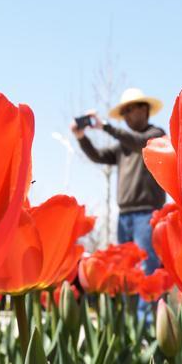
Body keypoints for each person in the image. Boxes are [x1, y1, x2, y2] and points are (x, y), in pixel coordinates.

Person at [71, 87, 166, 277]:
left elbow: (140, 142)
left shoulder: (155, 135)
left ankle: (148, 308)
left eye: (130, 110)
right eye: (124, 113)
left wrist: (105, 127)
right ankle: (132, 308)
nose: (127, 116)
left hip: (147, 215)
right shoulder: (123, 146)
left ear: (144, 109)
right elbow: (98, 155)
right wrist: (81, 138)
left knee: (148, 269)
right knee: (127, 272)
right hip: (124, 217)